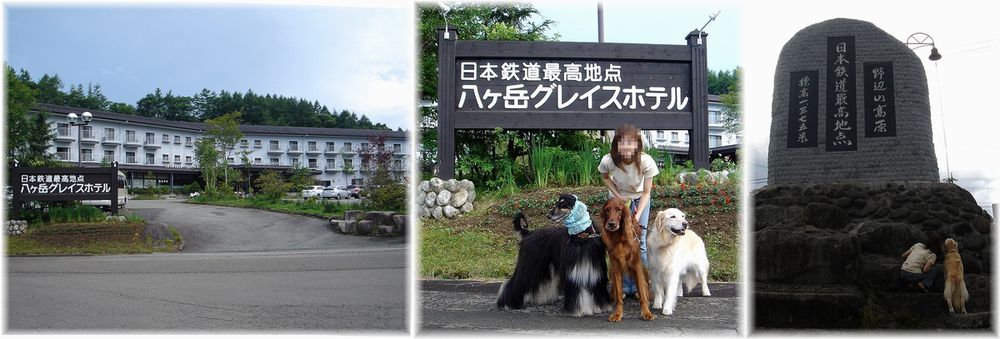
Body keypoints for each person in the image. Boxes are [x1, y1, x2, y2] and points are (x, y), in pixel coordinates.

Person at [598, 124, 658, 297]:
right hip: (618, 201)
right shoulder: (608, 160)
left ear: (637, 145)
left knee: (641, 244)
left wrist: (637, 215)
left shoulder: (646, 161)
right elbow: (604, 176)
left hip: (640, 198)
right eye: (622, 143)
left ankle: (641, 287)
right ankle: (624, 287)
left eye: (630, 143)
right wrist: (617, 194)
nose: (626, 147)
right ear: (616, 144)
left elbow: (647, 192)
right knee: (618, 243)